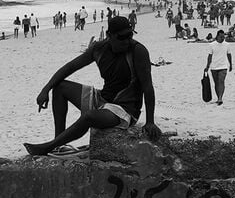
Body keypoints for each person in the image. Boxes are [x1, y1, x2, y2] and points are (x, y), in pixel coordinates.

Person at [25, 14, 157, 156]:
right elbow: (70, 67)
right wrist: (45, 90)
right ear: (109, 35)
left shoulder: (138, 51)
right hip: (102, 99)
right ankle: (59, 143)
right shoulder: (99, 49)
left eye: (129, 36)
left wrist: (150, 121)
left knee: (89, 117)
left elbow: (147, 87)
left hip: (125, 109)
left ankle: (50, 146)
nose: (126, 41)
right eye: (121, 37)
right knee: (60, 88)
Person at [204, 31, 232, 105]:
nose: (223, 38)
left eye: (223, 37)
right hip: (214, 66)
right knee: (216, 83)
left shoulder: (227, 45)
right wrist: (207, 66)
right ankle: (218, 97)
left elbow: (229, 55)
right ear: (217, 36)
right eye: (221, 37)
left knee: (221, 81)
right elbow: (209, 57)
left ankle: (220, 98)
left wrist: (230, 64)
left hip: (223, 66)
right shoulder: (212, 45)